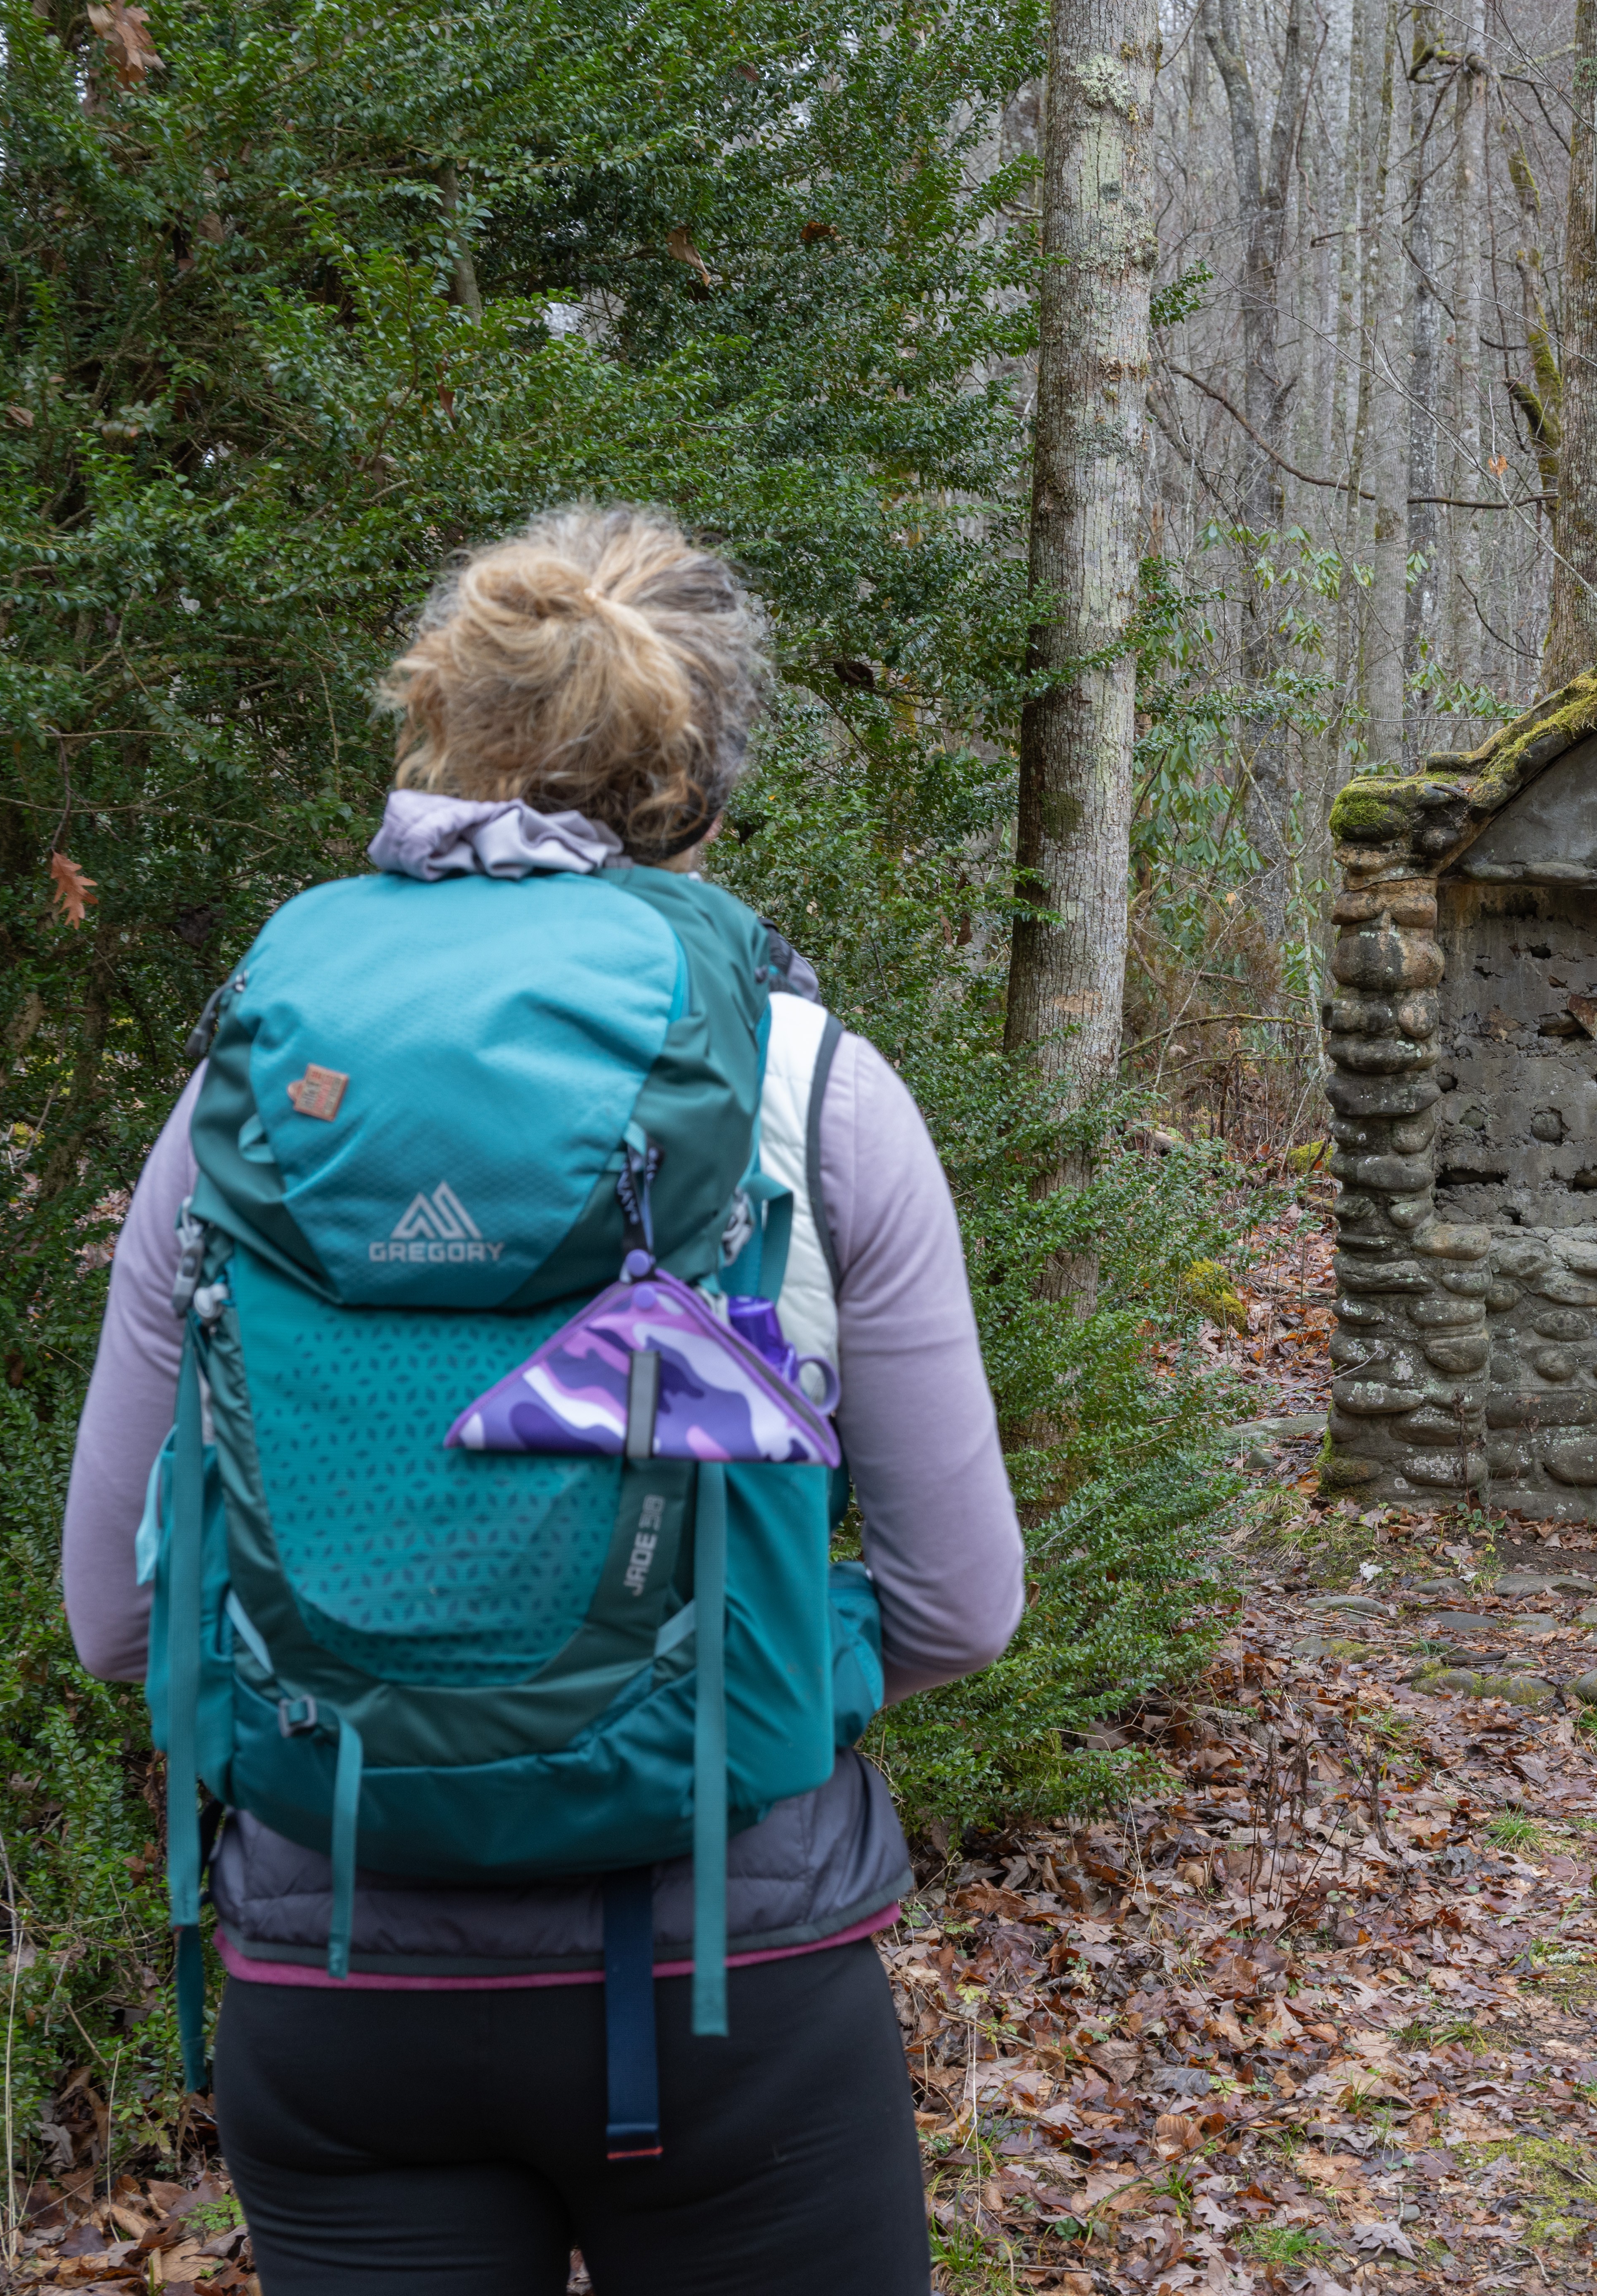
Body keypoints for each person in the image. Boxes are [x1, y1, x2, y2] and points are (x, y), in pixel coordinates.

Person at [62, 506, 1022, 2293]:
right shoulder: (818, 1091)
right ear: (703, 791)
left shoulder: (244, 1091)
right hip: (729, 1974)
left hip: (333, 1974)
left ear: (432, 731)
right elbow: (967, 1602)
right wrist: (723, 1682)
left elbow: (118, 1622)